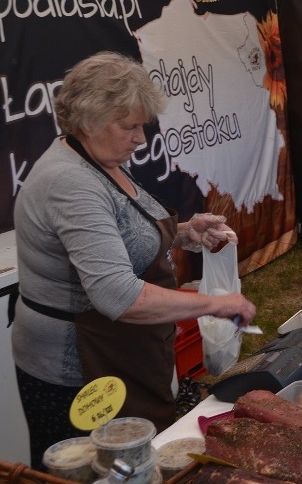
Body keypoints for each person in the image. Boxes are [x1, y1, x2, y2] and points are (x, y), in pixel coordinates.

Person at [12, 51, 257, 469]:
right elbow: (118, 297)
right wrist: (216, 303)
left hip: (123, 351)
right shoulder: (71, 182)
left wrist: (185, 232)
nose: (141, 139)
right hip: (80, 366)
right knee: (98, 471)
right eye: (129, 127)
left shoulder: (98, 159)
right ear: (88, 121)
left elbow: (119, 234)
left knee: (137, 464)